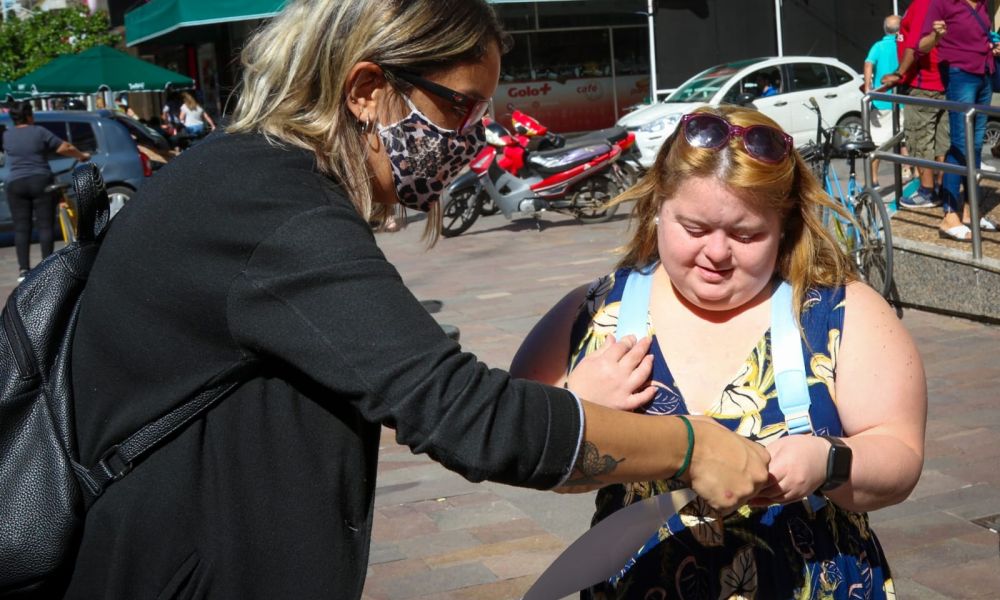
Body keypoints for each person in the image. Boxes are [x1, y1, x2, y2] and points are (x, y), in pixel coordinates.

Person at [56, 2, 770, 597]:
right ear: (366, 88)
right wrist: (691, 446)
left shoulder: (249, 180)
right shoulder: (275, 208)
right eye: (459, 106)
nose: (472, 137)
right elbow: (469, 417)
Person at [512, 106, 927, 599]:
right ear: (658, 207)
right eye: (694, 228)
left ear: (785, 225)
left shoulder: (840, 312)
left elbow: (900, 456)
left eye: (747, 234)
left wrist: (827, 460)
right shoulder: (593, 313)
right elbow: (518, 447)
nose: (716, 253)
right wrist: (574, 409)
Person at [919, 0, 1000, 240]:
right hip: (960, 75)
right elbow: (921, 45)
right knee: (960, 143)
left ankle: (969, 211)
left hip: (984, 74)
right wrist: (936, 34)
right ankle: (949, 215)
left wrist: (993, 48)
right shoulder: (942, 4)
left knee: (975, 146)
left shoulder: (983, 6)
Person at [1, 101, 89, 282]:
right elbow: (65, 147)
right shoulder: (39, 132)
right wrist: (81, 156)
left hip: (16, 184)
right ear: (29, 115)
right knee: (45, 226)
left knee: (21, 228)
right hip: (41, 181)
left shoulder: (7, 136)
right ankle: (46, 267)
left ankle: (24, 270)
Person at [883, 0, 949, 210]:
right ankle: (942, 189)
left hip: (922, 84)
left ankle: (927, 192)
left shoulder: (923, 3)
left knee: (920, 140)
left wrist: (898, 73)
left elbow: (914, 46)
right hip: (941, 84)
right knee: (941, 142)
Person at [864, 15, 902, 187]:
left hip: (881, 101)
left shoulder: (878, 46)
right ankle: (916, 175)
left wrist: (867, 87)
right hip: (902, 99)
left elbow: (868, 63)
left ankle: (873, 180)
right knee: (906, 140)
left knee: (877, 145)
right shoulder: (903, 46)